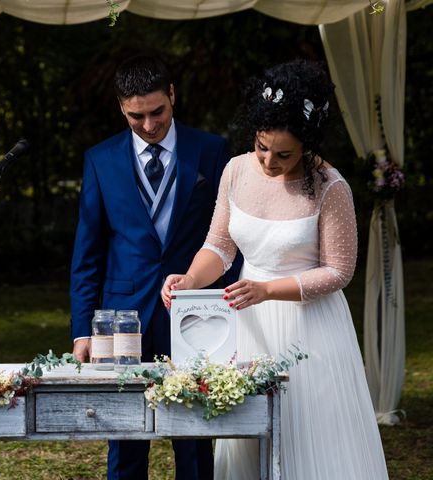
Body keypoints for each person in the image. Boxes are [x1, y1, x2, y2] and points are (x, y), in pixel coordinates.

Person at [161, 59, 389, 480]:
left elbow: (339, 272)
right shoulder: (235, 170)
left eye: (283, 154)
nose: (267, 161)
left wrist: (268, 290)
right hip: (250, 327)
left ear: (307, 143)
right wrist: (190, 279)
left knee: (311, 439)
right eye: (262, 146)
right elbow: (219, 246)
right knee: (247, 439)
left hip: (311, 329)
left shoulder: (330, 186)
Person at [70, 54, 240, 480]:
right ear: (120, 108)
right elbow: (87, 255)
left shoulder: (212, 151)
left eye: (157, 112)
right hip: (122, 320)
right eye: (136, 116)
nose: (149, 125)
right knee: (125, 439)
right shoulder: (100, 160)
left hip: (197, 311)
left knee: (196, 437)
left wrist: (232, 317)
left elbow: (228, 240)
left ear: (172, 95)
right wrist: (81, 330)